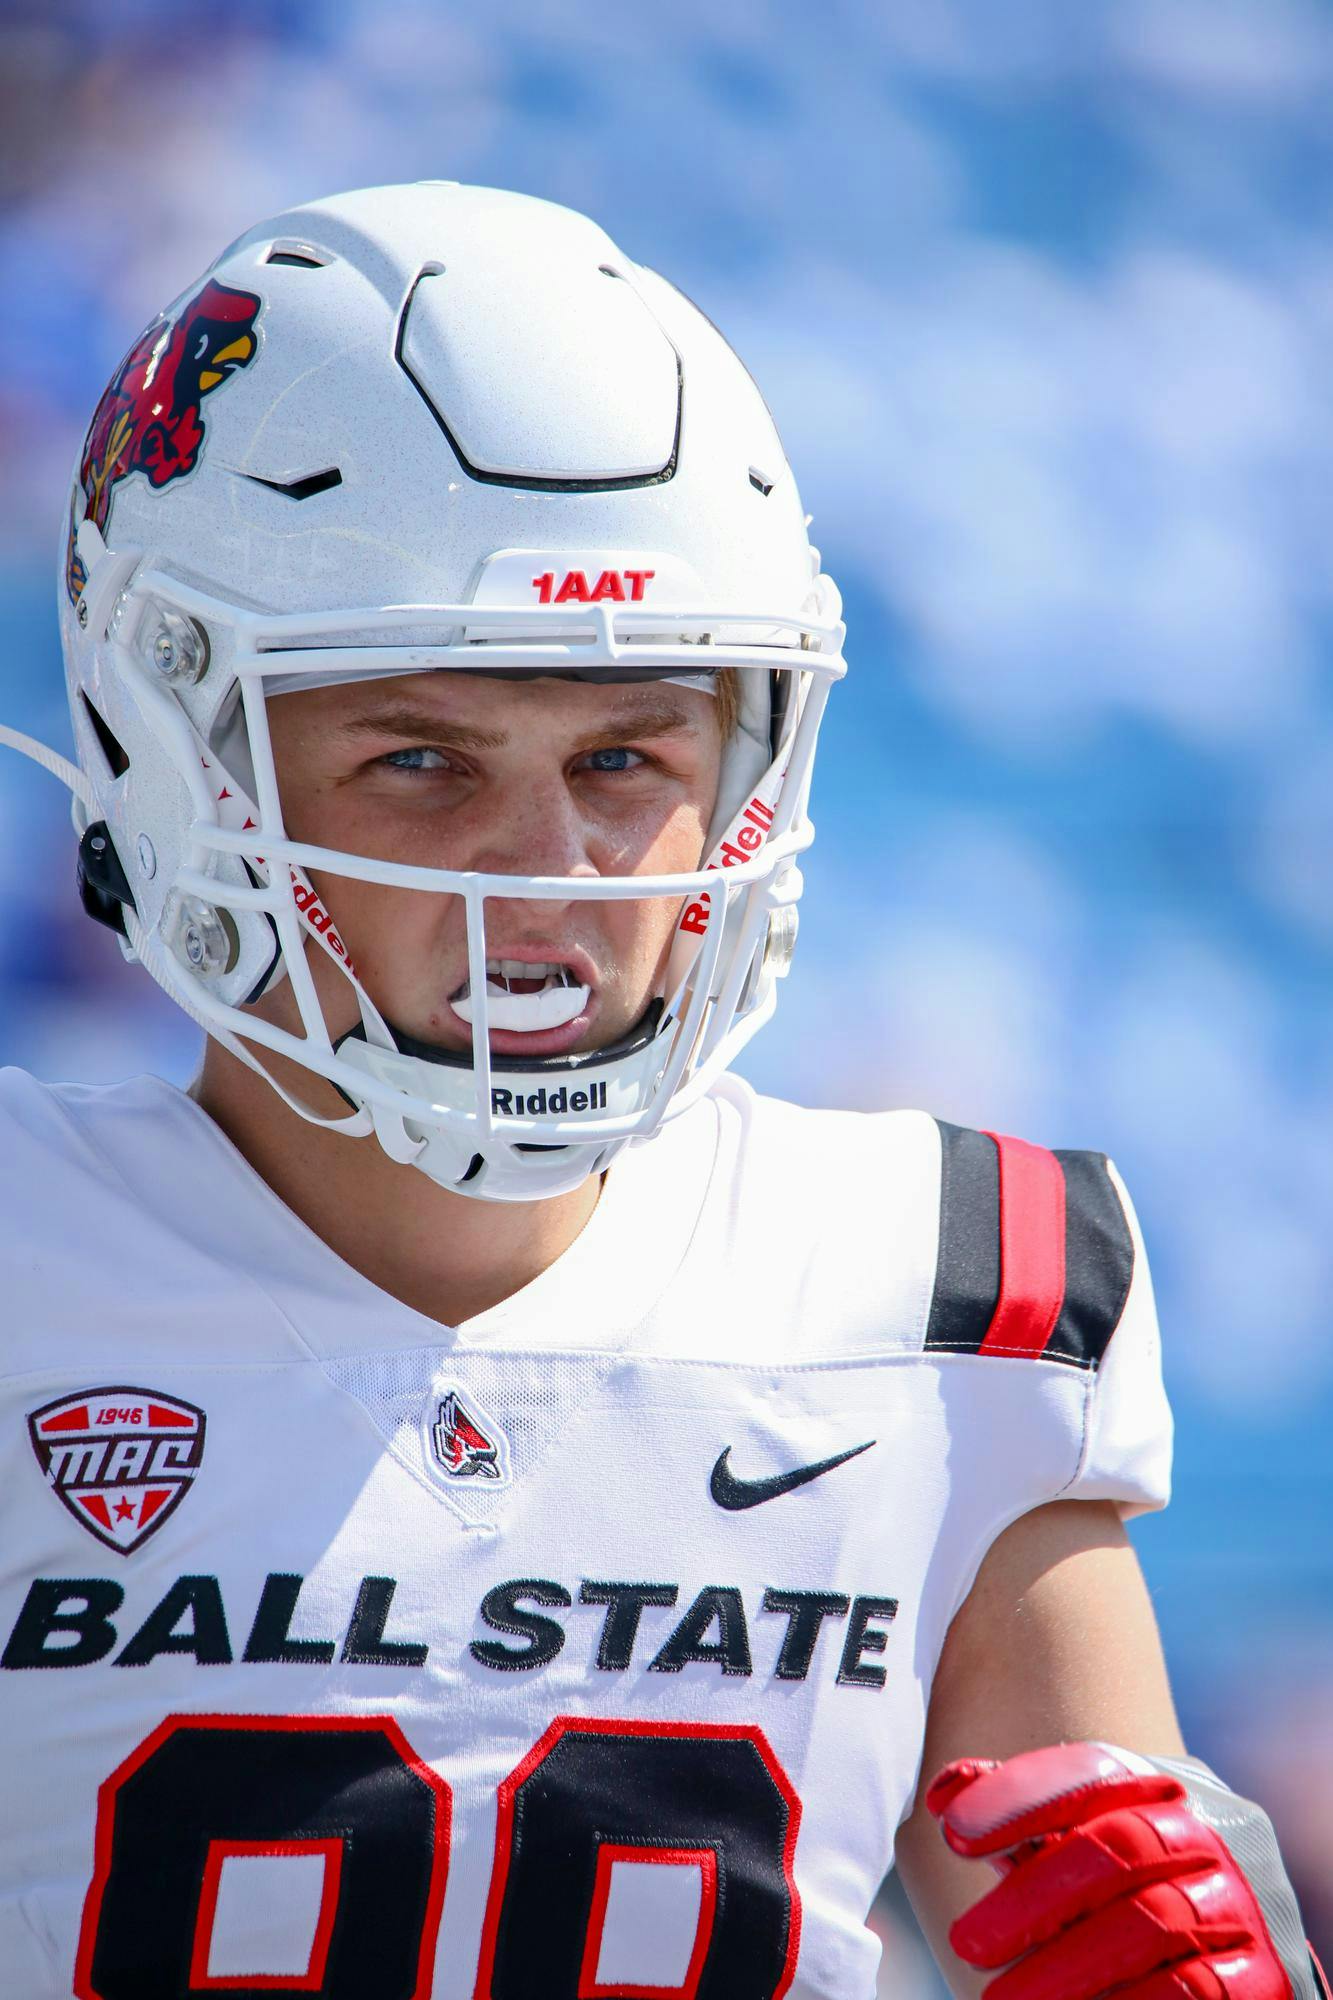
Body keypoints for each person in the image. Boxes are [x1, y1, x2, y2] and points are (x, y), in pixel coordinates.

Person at [0, 181, 1323, 2000]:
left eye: (625, 755)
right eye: (420, 759)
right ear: (180, 764)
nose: (548, 869)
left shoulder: (942, 1299)